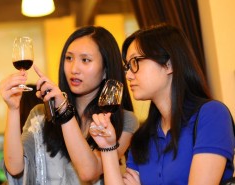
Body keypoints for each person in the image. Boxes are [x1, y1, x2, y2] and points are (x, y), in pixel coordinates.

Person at [90, 23, 235, 185]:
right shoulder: (142, 137)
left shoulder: (212, 115)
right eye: (127, 67)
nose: (128, 75)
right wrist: (108, 148)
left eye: (135, 62)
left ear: (169, 64)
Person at [0, 25, 139, 184]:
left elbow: (89, 173)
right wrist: (13, 108)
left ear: (106, 70)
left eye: (85, 60)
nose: (74, 69)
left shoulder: (124, 120)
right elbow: (15, 167)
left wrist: (64, 111)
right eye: (69, 58)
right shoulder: (40, 114)